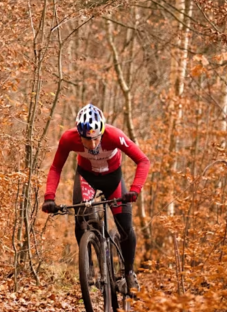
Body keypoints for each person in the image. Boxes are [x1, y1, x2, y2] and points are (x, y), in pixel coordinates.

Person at [41, 103, 151, 291]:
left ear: (102, 131)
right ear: (79, 134)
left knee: (125, 227)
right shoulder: (69, 138)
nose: (92, 144)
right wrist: (49, 197)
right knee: (80, 219)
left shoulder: (114, 136)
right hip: (87, 178)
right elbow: (56, 167)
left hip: (113, 179)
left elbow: (143, 160)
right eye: (87, 139)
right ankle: (88, 266)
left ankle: (129, 273)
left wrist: (134, 190)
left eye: (95, 138)